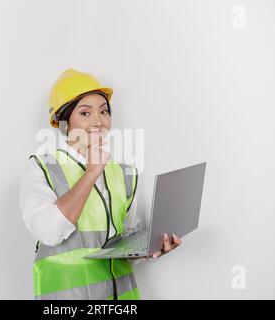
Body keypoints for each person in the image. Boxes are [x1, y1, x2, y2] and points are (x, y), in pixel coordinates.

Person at [19, 68, 181, 300]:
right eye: (85, 113)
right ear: (63, 122)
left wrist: (151, 248)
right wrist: (91, 172)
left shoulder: (125, 174)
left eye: (104, 112)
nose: (99, 121)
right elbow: (49, 232)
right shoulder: (41, 169)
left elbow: (124, 245)